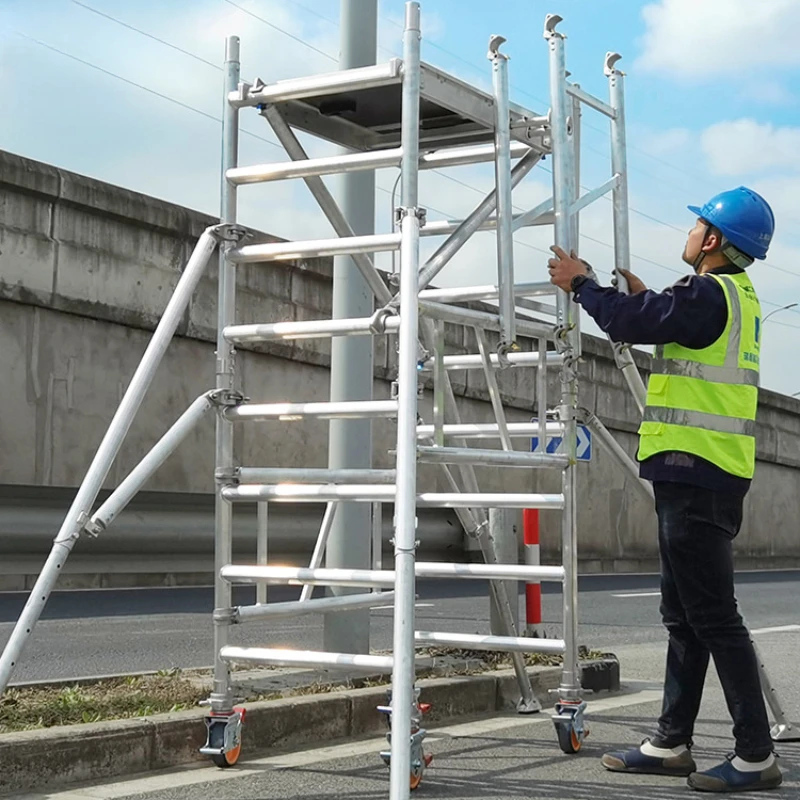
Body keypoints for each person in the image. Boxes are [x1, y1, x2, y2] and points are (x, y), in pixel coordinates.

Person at [547, 186, 781, 793]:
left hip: (699, 473)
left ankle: (755, 756)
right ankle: (671, 741)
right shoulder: (731, 296)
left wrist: (581, 284)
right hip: (700, 473)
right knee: (683, 616)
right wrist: (647, 298)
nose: (688, 233)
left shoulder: (709, 293)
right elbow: (665, 323)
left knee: (711, 617)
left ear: (712, 241)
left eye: (696, 223)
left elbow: (628, 323)